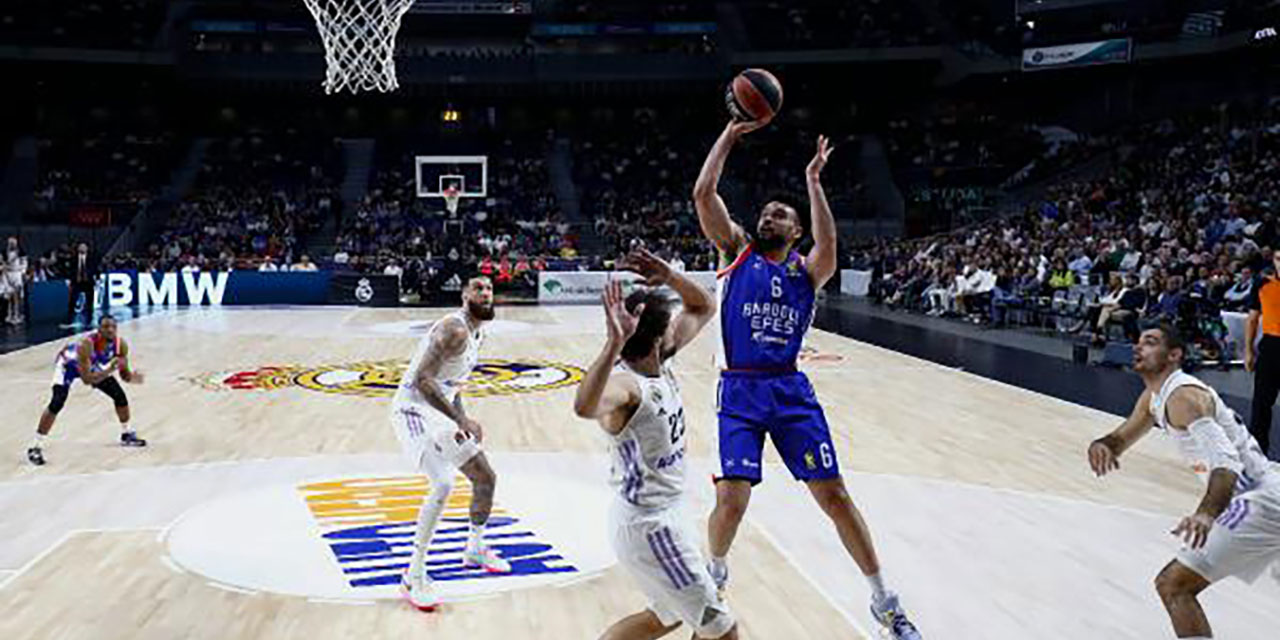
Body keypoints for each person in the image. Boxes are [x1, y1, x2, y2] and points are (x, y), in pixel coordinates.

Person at [692, 121, 922, 639]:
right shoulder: (736, 253)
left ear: (796, 231)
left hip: (790, 389)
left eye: (781, 214)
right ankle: (716, 574)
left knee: (835, 496)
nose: (769, 217)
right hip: (740, 390)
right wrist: (729, 133)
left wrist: (814, 182)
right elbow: (704, 193)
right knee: (731, 500)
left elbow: (830, 245)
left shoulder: (805, 271)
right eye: (767, 212)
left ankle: (885, 603)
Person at [573, 249, 734, 640]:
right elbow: (584, 407)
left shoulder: (663, 358)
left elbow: (705, 305)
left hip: (666, 514)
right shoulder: (627, 386)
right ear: (661, 335)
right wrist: (613, 344)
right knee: (722, 630)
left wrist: (669, 274)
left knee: (666, 618)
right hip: (650, 525)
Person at [1088, 324, 1280, 638]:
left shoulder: (1185, 398)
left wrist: (1206, 513)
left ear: (1174, 355)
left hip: (1257, 499)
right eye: (1138, 342)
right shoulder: (1155, 397)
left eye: (1150, 342)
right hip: (1264, 495)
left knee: (1173, 585)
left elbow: (1226, 462)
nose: (1139, 347)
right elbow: (1123, 436)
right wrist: (1104, 444)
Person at [393, 276, 509, 612]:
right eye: (478, 289)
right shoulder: (453, 330)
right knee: (443, 482)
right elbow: (423, 381)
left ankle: (474, 548)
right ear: (464, 295)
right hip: (411, 409)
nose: (486, 294)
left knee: (485, 478)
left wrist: (462, 418)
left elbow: (450, 388)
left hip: (439, 413)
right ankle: (412, 574)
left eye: (489, 289)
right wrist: (459, 421)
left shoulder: (478, 333)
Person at [28, 315, 147, 466]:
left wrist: (132, 377)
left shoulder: (120, 345)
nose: (110, 330)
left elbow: (124, 375)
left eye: (113, 327)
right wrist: (110, 369)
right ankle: (35, 446)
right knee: (57, 402)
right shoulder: (86, 345)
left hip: (91, 366)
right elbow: (87, 380)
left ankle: (127, 434)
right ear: (99, 330)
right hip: (68, 365)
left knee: (119, 396)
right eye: (106, 327)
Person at [1245, 250, 1280, 460]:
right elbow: (1252, 319)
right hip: (1270, 346)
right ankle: (1256, 458)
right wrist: (1248, 350)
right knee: (1261, 404)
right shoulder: (1262, 284)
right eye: (1278, 259)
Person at [64, 242, 95, 325]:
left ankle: (89, 319)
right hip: (76, 282)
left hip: (88, 282)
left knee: (89, 301)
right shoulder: (73, 258)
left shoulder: (92, 258)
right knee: (72, 301)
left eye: (84, 247)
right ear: (78, 249)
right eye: (80, 247)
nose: (82, 249)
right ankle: (69, 319)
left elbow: (95, 268)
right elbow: (69, 269)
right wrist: (69, 279)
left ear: (87, 248)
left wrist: (96, 277)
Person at [2, 237, 28, 325]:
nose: (12, 244)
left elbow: (24, 264)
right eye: (10, 243)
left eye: (13, 243)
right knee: (9, 296)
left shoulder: (21, 253)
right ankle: (9, 315)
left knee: (17, 297)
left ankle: (17, 315)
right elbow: (2, 263)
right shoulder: (4, 252)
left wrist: (22, 272)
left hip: (17, 274)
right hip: (7, 275)